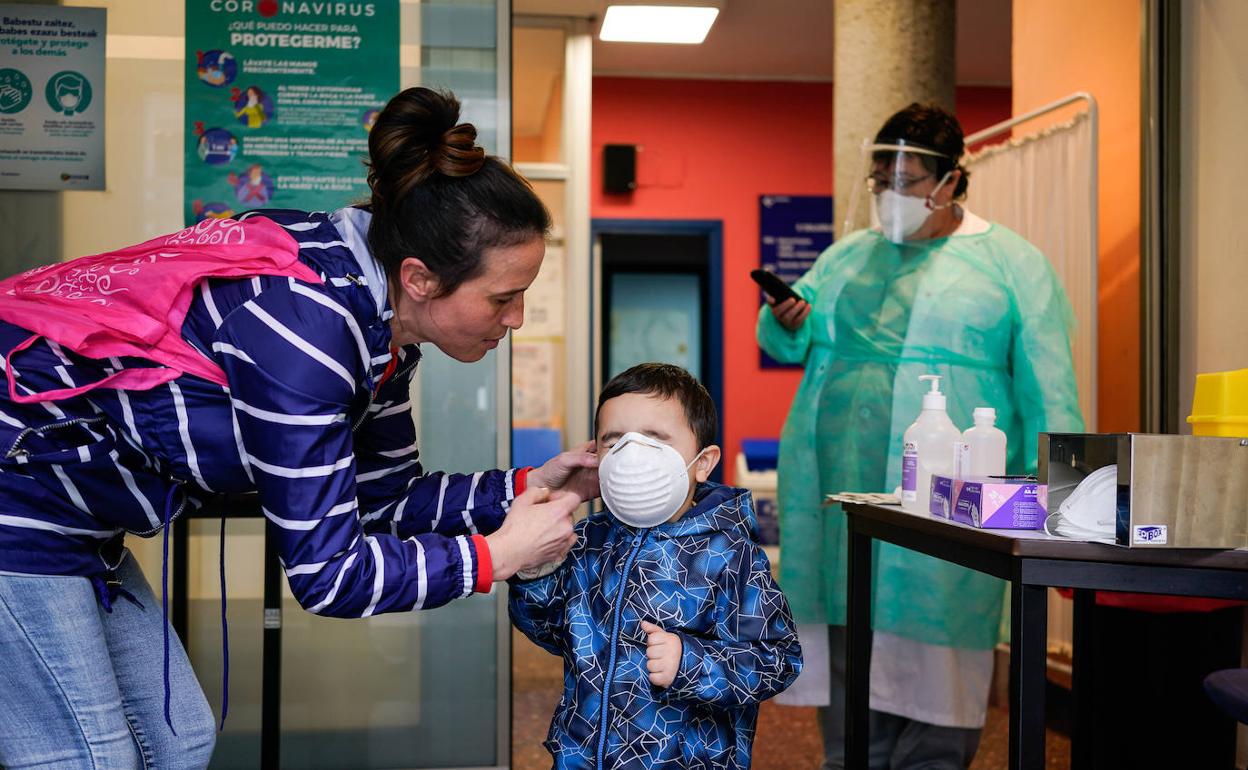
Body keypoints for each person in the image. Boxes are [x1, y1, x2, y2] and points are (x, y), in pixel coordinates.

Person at [0, 87, 595, 768]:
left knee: (179, 740)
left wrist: (523, 488)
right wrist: (497, 557)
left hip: (81, 518)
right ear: (421, 278)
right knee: (91, 758)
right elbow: (328, 573)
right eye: (503, 297)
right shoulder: (307, 328)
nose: (516, 319)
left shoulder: (378, 326)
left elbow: (387, 498)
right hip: (19, 499)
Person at [756, 103, 1084, 769]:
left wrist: (1068, 511)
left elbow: (1052, 392)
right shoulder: (847, 258)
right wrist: (787, 321)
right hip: (845, 509)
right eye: (882, 181)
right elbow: (790, 343)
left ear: (953, 182)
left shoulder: (1013, 266)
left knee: (939, 684)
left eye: (907, 181)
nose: (891, 197)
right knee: (850, 680)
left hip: (950, 521)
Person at [509, 363, 802, 770]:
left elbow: (777, 660)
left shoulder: (730, 553)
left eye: (654, 438)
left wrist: (689, 662)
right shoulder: (590, 539)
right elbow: (550, 631)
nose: (632, 455)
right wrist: (535, 571)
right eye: (614, 441)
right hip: (584, 756)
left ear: (703, 462)